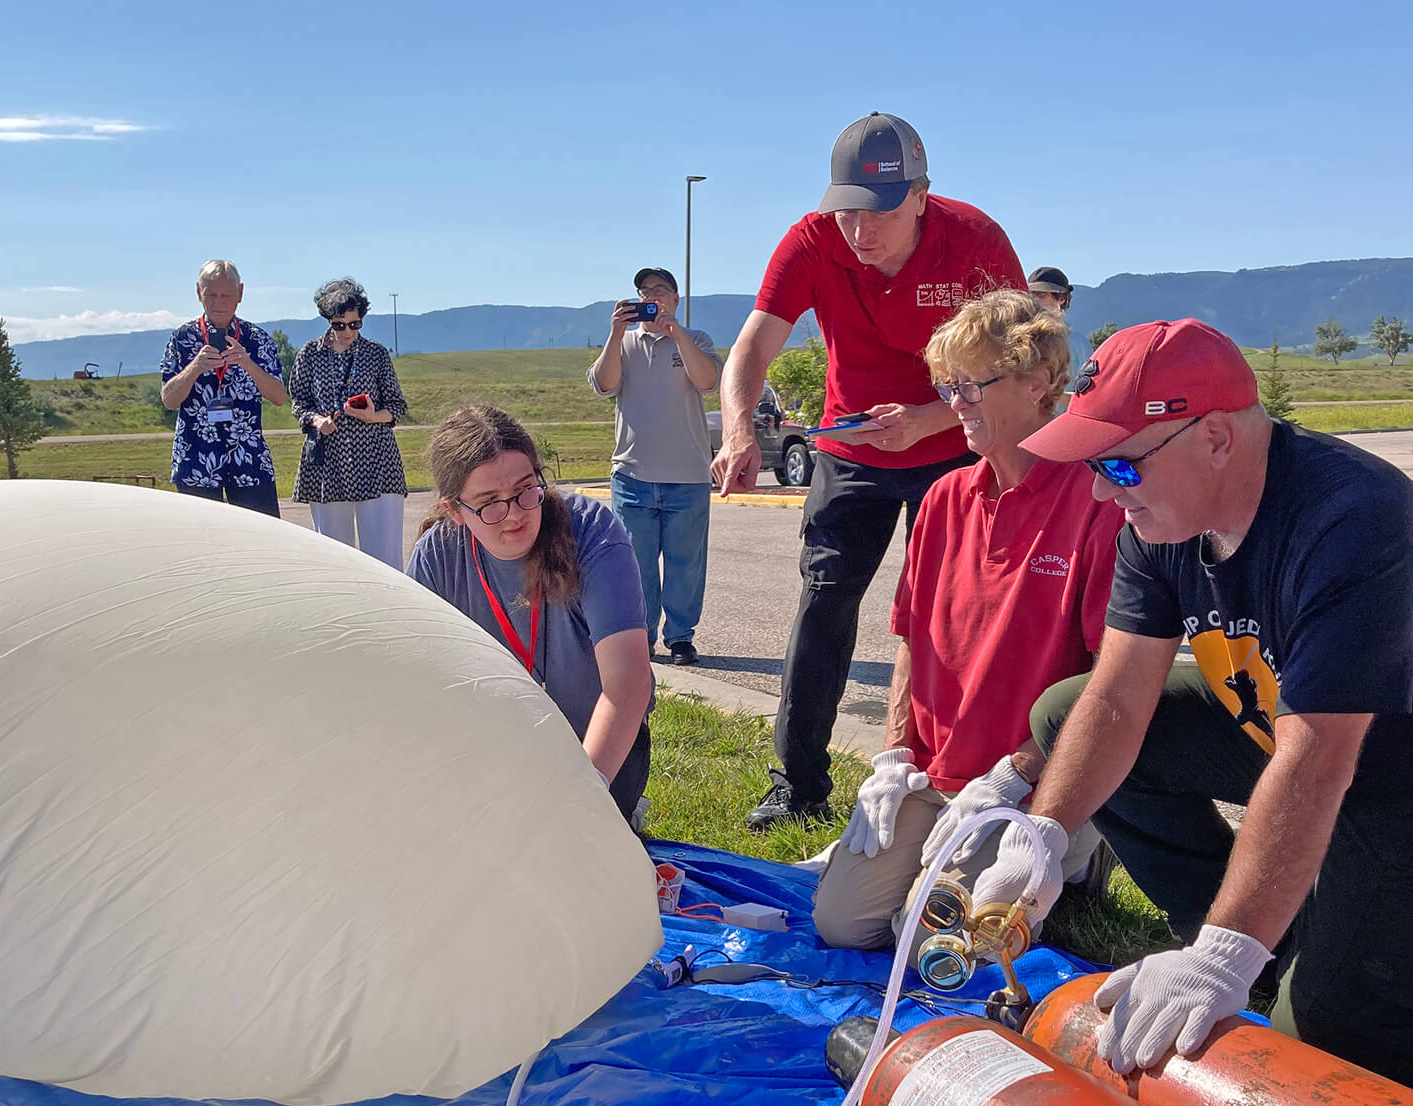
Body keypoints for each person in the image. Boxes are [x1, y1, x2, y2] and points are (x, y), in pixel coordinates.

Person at [959, 317, 1413, 1085]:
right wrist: (1042, 830)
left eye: (1120, 466)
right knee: (1066, 717)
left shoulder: (1352, 518)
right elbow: (1116, 698)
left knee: (1345, 1035)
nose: (1103, 491)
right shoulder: (1157, 515)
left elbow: (1317, 763)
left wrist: (1224, 955)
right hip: (1290, 720)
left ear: (1214, 439)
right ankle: (1256, 942)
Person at [710, 111, 1025, 829]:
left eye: (879, 211)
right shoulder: (811, 242)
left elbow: (1016, 362)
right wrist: (737, 430)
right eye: (847, 210)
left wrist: (927, 417)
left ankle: (960, 780)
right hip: (851, 446)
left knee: (951, 612)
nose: (861, 230)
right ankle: (797, 784)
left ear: (920, 195)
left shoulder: (976, 243)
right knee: (824, 599)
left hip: (949, 439)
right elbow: (752, 348)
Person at [812, 290, 1120, 959]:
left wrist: (1021, 773)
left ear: (1038, 383)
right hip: (940, 772)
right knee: (841, 924)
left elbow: (1112, 679)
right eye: (947, 385)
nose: (954, 402)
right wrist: (893, 757)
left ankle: (1079, 850)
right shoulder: (944, 500)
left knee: (929, 947)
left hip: (1033, 781)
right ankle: (938, 850)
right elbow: (909, 641)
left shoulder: (1096, 501)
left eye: (971, 384)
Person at [407, 406, 655, 821]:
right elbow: (418, 686)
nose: (517, 514)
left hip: (595, 744)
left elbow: (627, 681)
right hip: (491, 747)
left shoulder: (593, 532)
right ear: (455, 511)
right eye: (489, 504)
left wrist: (586, 790)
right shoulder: (437, 555)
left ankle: (618, 810)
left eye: (526, 489)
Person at [588, 266, 722, 666]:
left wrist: (675, 334)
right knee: (636, 563)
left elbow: (708, 381)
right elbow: (604, 383)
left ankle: (681, 638)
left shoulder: (695, 339)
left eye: (660, 290)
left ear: (677, 299)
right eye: (645, 292)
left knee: (686, 564)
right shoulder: (624, 343)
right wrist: (614, 332)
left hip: (688, 476)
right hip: (633, 476)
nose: (652, 297)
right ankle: (640, 637)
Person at [289, 278, 410, 568]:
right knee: (334, 560)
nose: (348, 331)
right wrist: (317, 420)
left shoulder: (376, 354)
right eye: (339, 324)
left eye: (355, 324)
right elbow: (298, 404)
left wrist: (372, 416)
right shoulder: (309, 355)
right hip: (329, 464)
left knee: (385, 559)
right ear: (328, 320)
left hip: (377, 462)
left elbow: (397, 406)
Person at [159, 260, 288, 515]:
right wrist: (195, 367)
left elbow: (279, 397)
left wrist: (248, 363)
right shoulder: (181, 339)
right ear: (198, 292)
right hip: (196, 461)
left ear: (240, 294)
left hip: (249, 460)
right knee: (202, 544)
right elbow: (169, 400)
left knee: (261, 541)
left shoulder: (256, 338)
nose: (219, 302)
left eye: (227, 295)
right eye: (211, 295)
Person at [1028, 265, 1093, 371]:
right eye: (1030, 295)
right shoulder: (1020, 340)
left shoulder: (1078, 344)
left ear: (1062, 298)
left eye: (1040, 295)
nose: (1033, 301)